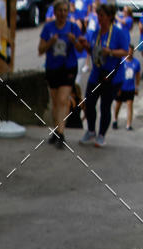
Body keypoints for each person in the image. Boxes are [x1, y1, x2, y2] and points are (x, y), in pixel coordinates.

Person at [80, 3, 129, 147]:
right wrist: (87, 46)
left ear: (109, 17)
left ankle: (101, 135)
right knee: (89, 103)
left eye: (101, 16)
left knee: (105, 106)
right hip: (96, 73)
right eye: (98, 15)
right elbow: (95, 51)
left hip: (112, 76)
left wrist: (111, 52)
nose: (99, 19)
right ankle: (90, 131)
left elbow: (126, 52)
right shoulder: (96, 33)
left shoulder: (118, 32)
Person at [39, 0, 86, 148]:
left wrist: (74, 41)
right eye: (60, 10)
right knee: (55, 101)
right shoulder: (48, 28)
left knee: (63, 100)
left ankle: (61, 133)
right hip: (53, 68)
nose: (63, 13)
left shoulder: (73, 28)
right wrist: (50, 42)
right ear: (55, 12)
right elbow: (40, 50)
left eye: (65, 10)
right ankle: (57, 130)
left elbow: (80, 49)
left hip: (68, 68)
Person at [112, 44, 140, 128]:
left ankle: (128, 124)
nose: (129, 53)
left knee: (130, 105)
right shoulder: (121, 61)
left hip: (130, 88)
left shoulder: (136, 63)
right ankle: (115, 120)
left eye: (131, 51)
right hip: (121, 87)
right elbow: (116, 74)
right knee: (118, 105)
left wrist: (136, 87)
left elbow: (137, 75)